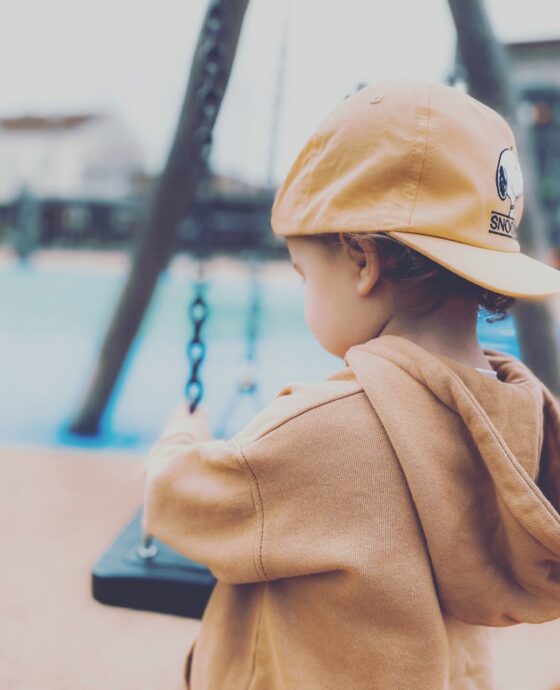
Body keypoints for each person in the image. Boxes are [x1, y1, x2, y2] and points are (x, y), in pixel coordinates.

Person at [142, 79, 560, 690]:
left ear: (364, 262)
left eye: (304, 272)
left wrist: (179, 438)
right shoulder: (524, 423)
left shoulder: (325, 431)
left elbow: (181, 503)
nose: (305, 288)